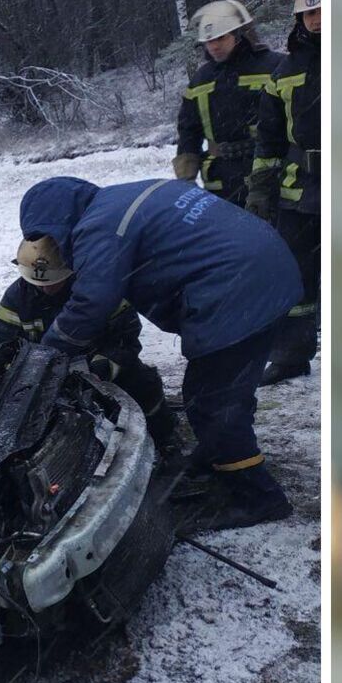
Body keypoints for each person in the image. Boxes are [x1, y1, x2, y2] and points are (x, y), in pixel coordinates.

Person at [18, 176, 302, 531]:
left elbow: (92, 301)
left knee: (213, 403)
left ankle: (257, 497)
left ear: (56, 221)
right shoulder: (123, 196)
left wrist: (46, 352)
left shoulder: (98, 227)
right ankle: (218, 454)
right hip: (265, 266)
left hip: (236, 287)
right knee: (223, 388)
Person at [0, 237, 171, 450]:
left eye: (53, 282)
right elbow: (2, 343)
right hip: (41, 377)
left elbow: (126, 340)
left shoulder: (99, 291)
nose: (46, 289)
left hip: (98, 368)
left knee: (144, 385)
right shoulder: (17, 297)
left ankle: (164, 439)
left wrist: (101, 368)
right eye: (39, 283)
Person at [249, 0, 322, 386]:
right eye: (309, 11)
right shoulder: (283, 72)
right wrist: (261, 191)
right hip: (299, 192)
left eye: (323, 9)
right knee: (295, 278)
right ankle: (291, 355)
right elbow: (270, 140)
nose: (316, 18)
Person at [175, 0, 285, 207]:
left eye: (220, 38)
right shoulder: (201, 79)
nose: (214, 46)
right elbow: (188, 131)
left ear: (238, 34)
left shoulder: (275, 66)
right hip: (219, 183)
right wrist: (185, 179)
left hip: (271, 177)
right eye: (208, 41)